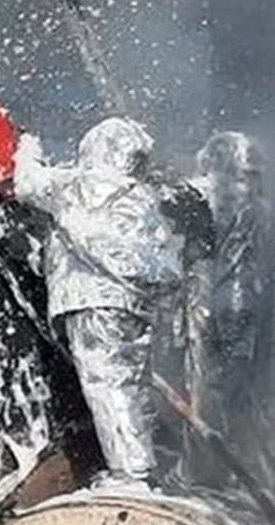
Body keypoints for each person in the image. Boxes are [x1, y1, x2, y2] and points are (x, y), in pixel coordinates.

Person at [13, 118, 182, 486]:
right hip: (134, 306)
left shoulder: (78, 186)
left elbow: (24, 183)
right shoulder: (141, 199)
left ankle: (130, 474)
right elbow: (162, 268)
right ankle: (144, 464)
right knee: (132, 382)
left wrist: (27, 147)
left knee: (105, 383)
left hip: (90, 301)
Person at [188, 131, 267, 435]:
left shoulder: (221, 202)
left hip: (221, 307)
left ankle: (213, 460)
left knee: (212, 385)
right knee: (235, 385)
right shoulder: (261, 209)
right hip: (243, 307)